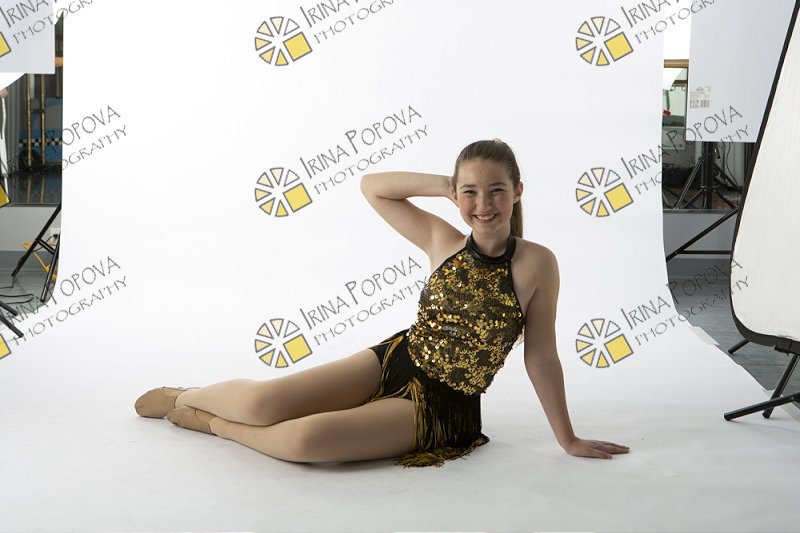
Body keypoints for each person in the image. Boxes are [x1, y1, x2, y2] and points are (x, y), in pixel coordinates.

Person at [134, 139, 629, 467]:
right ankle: (188, 393)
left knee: (306, 441)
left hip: (444, 405)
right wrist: (444, 186)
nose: (483, 205)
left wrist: (567, 438)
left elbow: (540, 356)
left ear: (517, 192)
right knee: (261, 404)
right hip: (395, 358)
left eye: (496, 191)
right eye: (471, 192)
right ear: (456, 195)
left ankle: (213, 423)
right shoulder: (442, 239)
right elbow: (373, 188)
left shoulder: (538, 264)